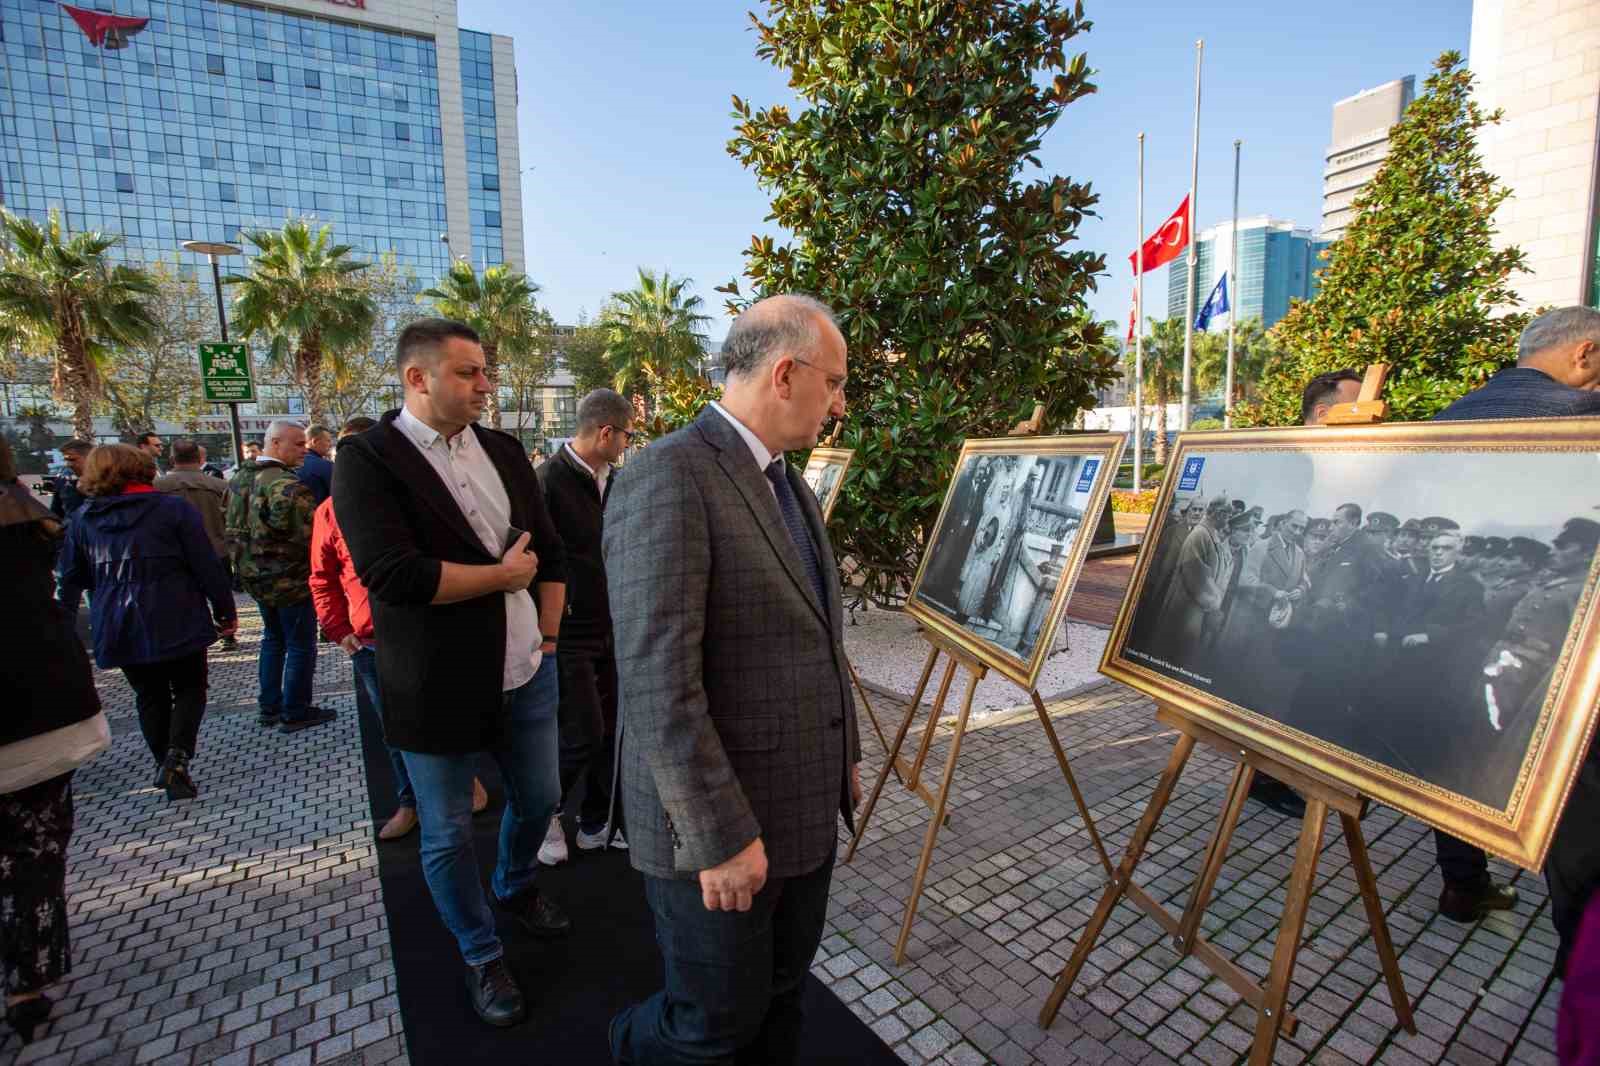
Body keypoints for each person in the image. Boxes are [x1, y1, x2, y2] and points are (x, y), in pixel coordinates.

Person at [605, 294, 862, 1065]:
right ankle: (626, 1046)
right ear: (785, 374)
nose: (840, 404)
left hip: (799, 815)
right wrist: (720, 836)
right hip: (717, 834)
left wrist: (842, 753)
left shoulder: (786, 480)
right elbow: (658, 684)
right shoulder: (668, 474)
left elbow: (813, 634)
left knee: (781, 996)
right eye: (835, 383)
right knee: (710, 1029)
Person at [333, 319, 569, 1028]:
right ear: (417, 378)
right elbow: (391, 575)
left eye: (485, 370)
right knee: (446, 833)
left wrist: (549, 640)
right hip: (431, 683)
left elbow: (550, 552)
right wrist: (499, 578)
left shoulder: (503, 449)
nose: (486, 385)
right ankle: (480, 952)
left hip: (527, 669)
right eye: (469, 372)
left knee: (540, 798)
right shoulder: (368, 458)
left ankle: (515, 883)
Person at [1420, 306, 1600, 933]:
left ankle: (1462, 884)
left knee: (1457, 767)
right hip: (1563, 669)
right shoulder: (1586, 419)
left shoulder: (1446, 420)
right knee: (1575, 801)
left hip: (1462, 663)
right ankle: (1575, 947)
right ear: (1584, 352)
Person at [310, 417, 490, 841]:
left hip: (428, 630)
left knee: (448, 713)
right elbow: (322, 575)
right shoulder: (329, 511)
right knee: (395, 729)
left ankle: (464, 782)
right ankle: (410, 801)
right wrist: (338, 629)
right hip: (370, 641)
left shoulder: (414, 496)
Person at [0, 435, 104, 1044]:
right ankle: (29, 978)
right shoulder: (28, 517)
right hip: (46, 703)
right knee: (36, 846)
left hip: (37, 705)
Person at [59, 444, 236, 799]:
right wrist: (224, 609)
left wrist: (63, 625)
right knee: (190, 686)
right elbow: (205, 564)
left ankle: (165, 763)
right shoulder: (173, 509)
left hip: (118, 618)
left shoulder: (84, 519)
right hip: (176, 611)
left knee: (149, 695)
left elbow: (71, 577)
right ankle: (177, 757)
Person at [536, 388, 633, 865]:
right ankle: (547, 814)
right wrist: (547, 632)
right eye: (627, 435)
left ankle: (598, 821)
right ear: (606, 432)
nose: (628, 444)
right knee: (582, 732)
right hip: (568, 632)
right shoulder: (546, 482)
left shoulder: (619, 482)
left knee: (613, 731)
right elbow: (537, 562)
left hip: (615, 625)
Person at [232, 419, 331, 733]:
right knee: (300, 645)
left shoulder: (240, 478)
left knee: (273, 639)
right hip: (290, 580)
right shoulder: (287, 485)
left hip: (255, 577)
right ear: (275, 443)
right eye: (298, 444)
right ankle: (295, 709)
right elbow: (311, 537)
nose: (304, 449)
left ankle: (270, 705)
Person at [157, 440, 236, 649]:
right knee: (220, 593)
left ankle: (188, 636)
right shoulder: (219, 486)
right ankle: (227, 631)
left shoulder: (158, 487)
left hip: (174, 554)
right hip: (216, 548)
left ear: (172, 459)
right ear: (199, 459)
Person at [298, 424, 336, 505]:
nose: (331, 445)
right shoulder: (326, 466)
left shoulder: (292, 463)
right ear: (314, 441)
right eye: (328, 441)